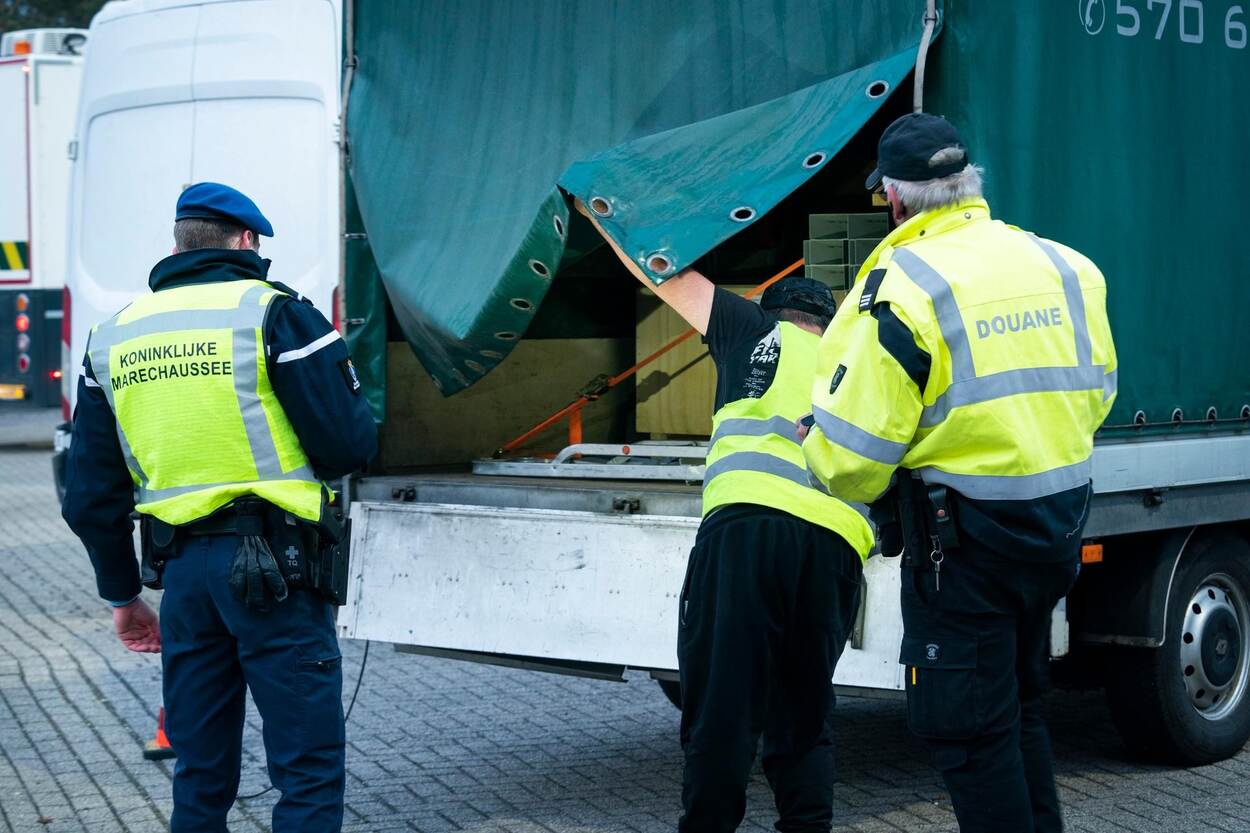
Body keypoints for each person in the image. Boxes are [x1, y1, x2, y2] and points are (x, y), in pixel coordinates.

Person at [801, 114, 1117, 833]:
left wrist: (813, 441)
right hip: (1054, 536)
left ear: (895, 199)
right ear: (968, 185)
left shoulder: (897, 286)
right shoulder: (1067, 266)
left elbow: (851, 462)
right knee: (1018, 710)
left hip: (962, 553)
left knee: (972, 737)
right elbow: (1096, 394)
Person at [61, 182, 378, 833]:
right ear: (248, 242)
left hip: (185, 582)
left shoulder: (111, 337)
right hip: (279, 575)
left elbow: (92, 498)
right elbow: (348, 443)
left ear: (179, 243)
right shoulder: (276, 315)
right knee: (307, 768)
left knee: (201, 774)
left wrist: (123, 597)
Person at [576, 200, 874, 833]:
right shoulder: (859, 366)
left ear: (777, 313)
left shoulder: (751, 330)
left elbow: (664, 275)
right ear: (829, 323)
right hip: (834, 553)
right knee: (804, 717)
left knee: (723, 713)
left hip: (746, 536)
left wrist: (598, 209)